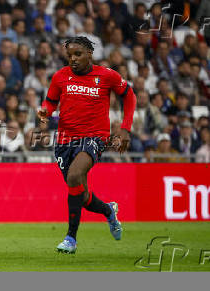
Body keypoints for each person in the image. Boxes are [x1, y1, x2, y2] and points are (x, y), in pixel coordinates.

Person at [37, 36, 136, 254]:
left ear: (90, 54)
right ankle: (109, 211)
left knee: (74, 176)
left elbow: (129, 97)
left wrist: (125, 128)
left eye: (78, 54)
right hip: (64, 140)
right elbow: (51, 101)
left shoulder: (107, 75)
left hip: (95, 137)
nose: (73, 59)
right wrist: (45, 111)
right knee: (80, 195)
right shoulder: (60, 77)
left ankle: (71, 239)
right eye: (69, 55)